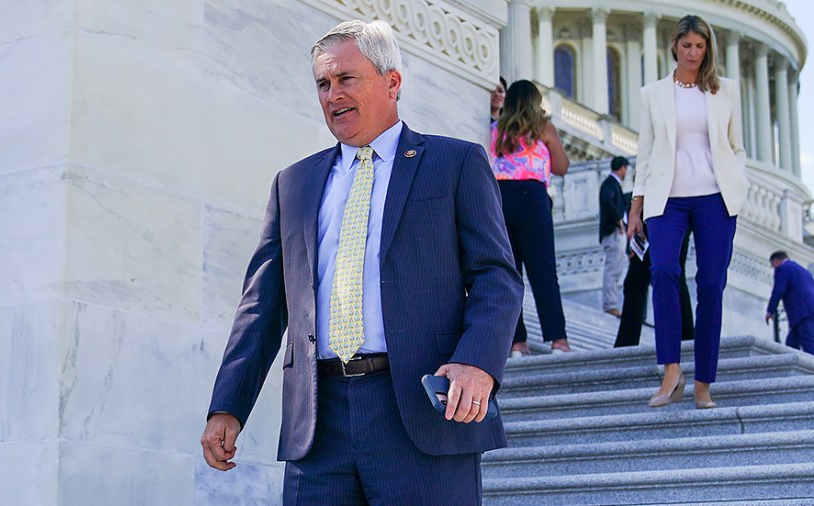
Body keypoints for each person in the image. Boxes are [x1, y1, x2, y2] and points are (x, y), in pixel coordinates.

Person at [200, 20, 523, 505]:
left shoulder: (454, 163)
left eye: (346, 79)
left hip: (417, 413)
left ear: (392, 82)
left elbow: (497, 276)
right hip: (318, 422)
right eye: (323, 84)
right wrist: (228, 405)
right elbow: (262, 305)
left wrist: (477, 362)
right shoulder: (293, 184)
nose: (332, 95)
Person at [627, 14, 748, 409]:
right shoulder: (654, 94)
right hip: (668, 199)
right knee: (663, 272)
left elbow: (737, 146)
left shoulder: (725, 90)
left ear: (707, 48)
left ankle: (703, 384)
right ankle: (671, 371)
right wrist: (636, 205)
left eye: (700, 46)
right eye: (687, 45)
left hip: (715, 198)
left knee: (711, 286)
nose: (693, 52)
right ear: (674, 46)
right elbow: (644, 154)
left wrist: (738, 184)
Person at [491, 80, 570, 357]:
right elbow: (562, 166)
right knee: (544, 271)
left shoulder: (496, 130)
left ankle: (517, 343)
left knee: (511, 273)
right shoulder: (542, 128)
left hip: (500, 198)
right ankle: (558, 340)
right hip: (532, 197)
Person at [614, 206, 695, 347]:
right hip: (649, 210)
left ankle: (687, 340)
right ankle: (625, 345)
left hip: (677, 206)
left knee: (673, 275)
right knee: (635, 280)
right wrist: (634, 213)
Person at [766, 251, 814, 354]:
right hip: (808, 311)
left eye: (773, 265)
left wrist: (770, 310)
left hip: (801, 313)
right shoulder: (804, 271)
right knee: (791, 345)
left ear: (776, 261)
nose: (774, 268)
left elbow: (778, 290)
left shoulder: (783, 269)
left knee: (808, 344)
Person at [599, 156, 629, 317]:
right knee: (612, 268)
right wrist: (618, 220)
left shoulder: (612, 184)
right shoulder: (610, 184)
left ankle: (612, 302)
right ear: (622, 168)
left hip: (616, 231)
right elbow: (607, 200)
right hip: (613, 231)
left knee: (616, 267)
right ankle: (610, 304)